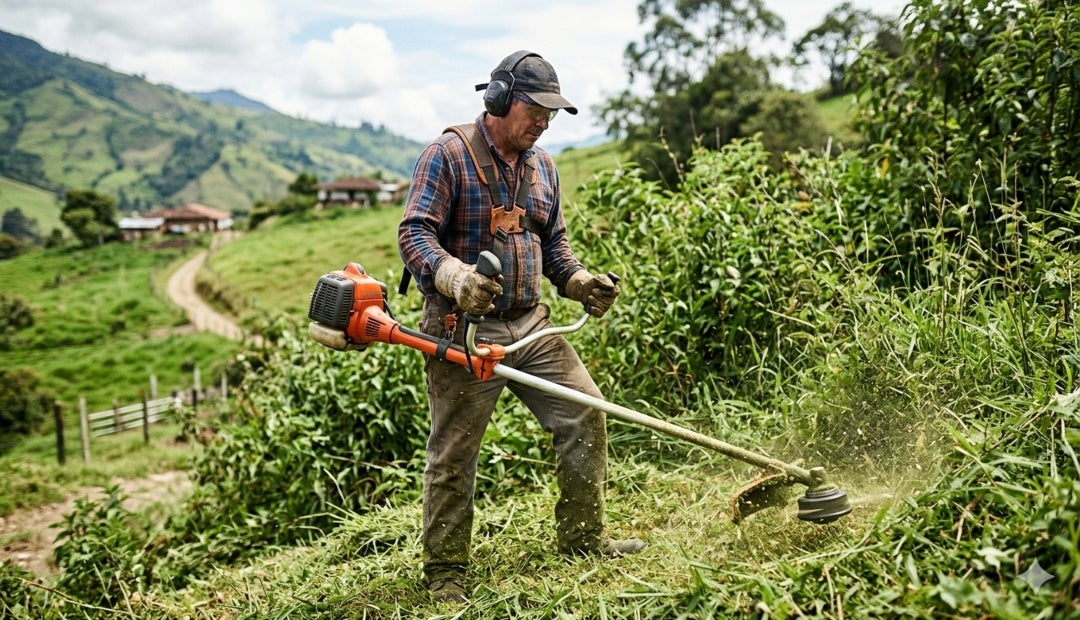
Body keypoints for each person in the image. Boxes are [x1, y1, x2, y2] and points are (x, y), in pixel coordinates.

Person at [398, 50, 646, 603]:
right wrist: (456, 278)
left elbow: (553, 244)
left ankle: (583, 538)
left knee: (586, 411)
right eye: (535, 109)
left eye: (551, 114)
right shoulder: (449, 155)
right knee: (454, 453)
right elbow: (414, 234)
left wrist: (580, 281)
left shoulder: (543, 167)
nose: (543, 122)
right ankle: (445, 573)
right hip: (463, 331)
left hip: (532, 327)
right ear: (500, 99)